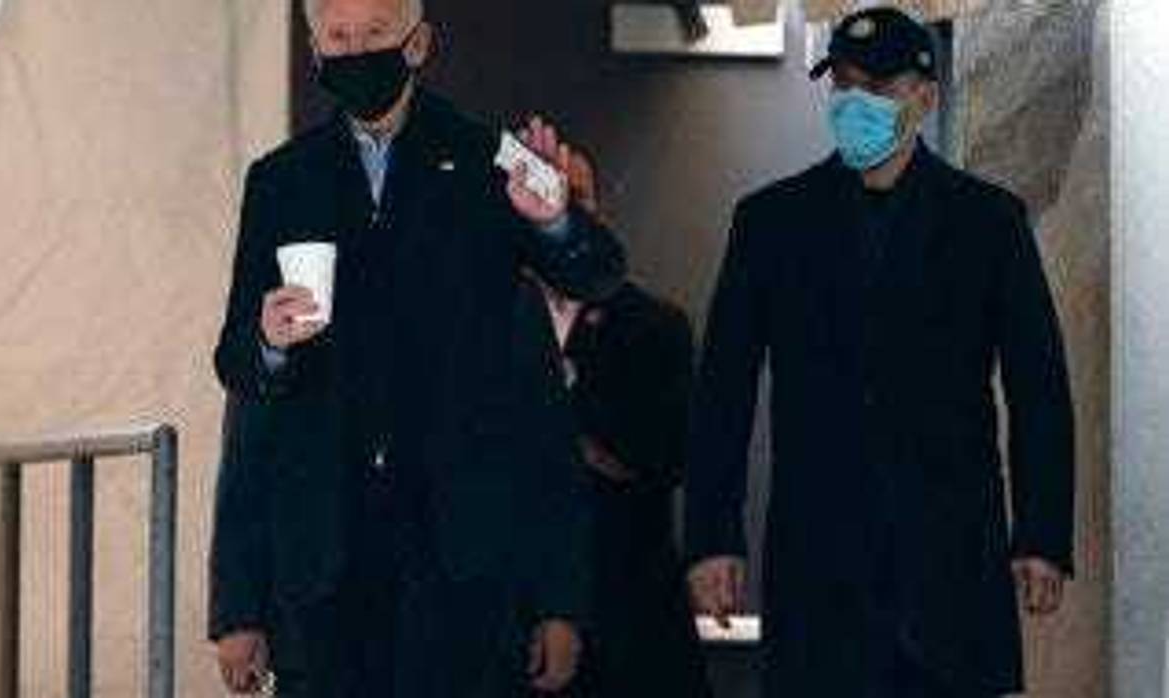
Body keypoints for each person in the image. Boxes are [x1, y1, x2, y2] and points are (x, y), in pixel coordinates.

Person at [207, 0, 626, 694]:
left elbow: (596, 276)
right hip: (324, 563)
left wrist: (554, 223)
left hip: (463, 562)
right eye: (337, 39)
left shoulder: (486, 156)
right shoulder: (282, 181)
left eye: (374, 35)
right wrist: (237, 605)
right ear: (314, 51)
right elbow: (244, 382)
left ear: (418, 43)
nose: (355, 52)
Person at [685, 8, 1076, 697]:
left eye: (877, 87)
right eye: (841, 84)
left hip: (950, 563)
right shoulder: (772, 222)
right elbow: (723, 388)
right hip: (820, 565)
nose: (854, 103)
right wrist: (712, 536)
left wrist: (1040, 533)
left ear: (923, 97)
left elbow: (1037, 384)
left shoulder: (987, 222)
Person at [534, 153, 713, 698]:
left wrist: (555, 395)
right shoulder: (483, 327)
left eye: (573, 204)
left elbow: (660, 457)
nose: (555, 218)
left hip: (632, 615)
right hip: (518, 618)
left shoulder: (654, 326)